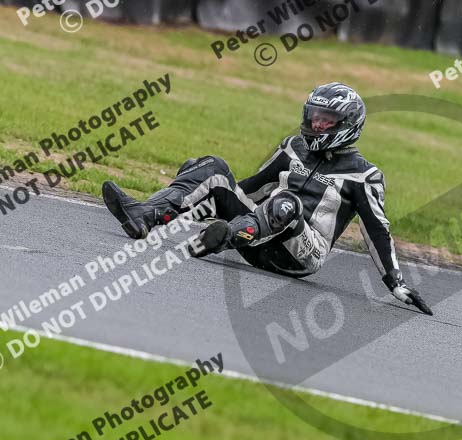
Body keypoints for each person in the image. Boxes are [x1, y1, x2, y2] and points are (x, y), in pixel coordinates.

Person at [101, 82, 432, 315]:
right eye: (313, 117)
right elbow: (250, 189)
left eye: (325, 121)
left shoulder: (365, 175)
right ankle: (145, 215)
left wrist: (396, 284)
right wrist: (210, 195)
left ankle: (223, 237)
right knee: (213, 168)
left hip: (301, 254)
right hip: (258, 229)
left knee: (287, 201)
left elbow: (377, 231)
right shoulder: (293, 147)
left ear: (346, 126)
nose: (316, 125)